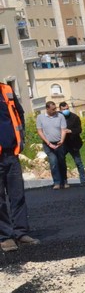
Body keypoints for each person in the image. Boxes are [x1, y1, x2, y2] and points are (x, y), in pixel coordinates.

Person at [0, 82, 39, 252]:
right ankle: (5, 236)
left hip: (11, 154)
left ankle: (21, 232)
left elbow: (19, 113)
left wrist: (20, 138)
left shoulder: (6, 90)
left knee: (18, 196)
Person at [36, 100, 69, 189]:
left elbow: (63, 129)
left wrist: (62, 140)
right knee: (53, 162)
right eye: (53, 109)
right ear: (47, 109)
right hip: (48, 144)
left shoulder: (60, 116)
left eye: (55, 109)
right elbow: (40, 131)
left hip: (60, 143)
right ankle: (57, 182)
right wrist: (48, 143)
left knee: (62, 162)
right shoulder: (40, 117)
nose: (55, 111)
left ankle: (64, 181)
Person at [59, 102, 85, 185]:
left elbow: (79, 129)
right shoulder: (58, 117)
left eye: (67, 109)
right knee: (61, 162)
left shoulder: (75, 117)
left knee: (78, 162)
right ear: (60, 109)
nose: (66, 110)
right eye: (63, 109)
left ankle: (83, 181)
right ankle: (64, 181)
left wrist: (70, 131)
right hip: (62, 143)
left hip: (73, 143)